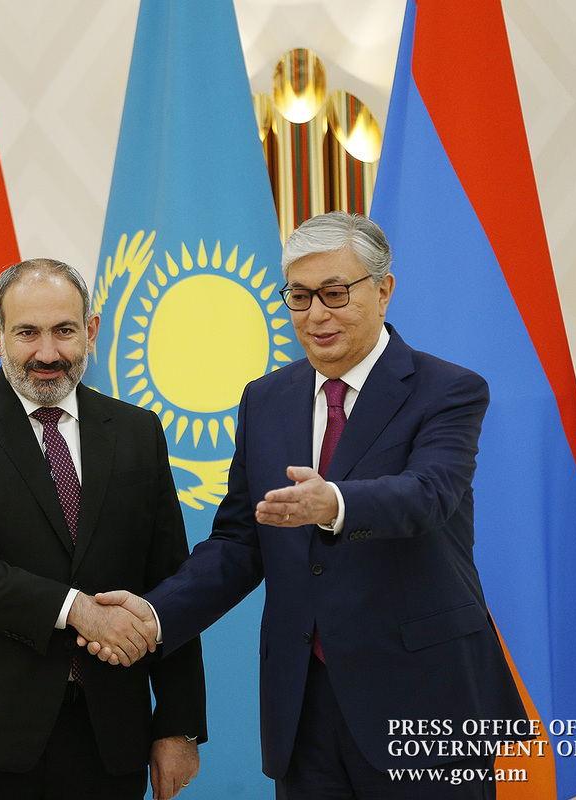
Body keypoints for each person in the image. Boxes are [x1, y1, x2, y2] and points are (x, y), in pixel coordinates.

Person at [85, 213, 529, 799]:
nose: (316, 314)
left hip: (423, 698)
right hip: (303, 706)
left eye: (335, 293)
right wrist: (153, 614)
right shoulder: (266, 399)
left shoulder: (447, 389)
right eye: (299, 296)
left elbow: (431, 493)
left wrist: (335, 502)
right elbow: (241, 542)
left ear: (383, 290)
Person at [0, 258, 207, 800]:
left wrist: (178, 725)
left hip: (108, 738)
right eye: (27, 333)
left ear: (91, 331)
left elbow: (170, 583)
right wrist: (76, 609)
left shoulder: (137, 431)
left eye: (64, 331)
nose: (47, 353)